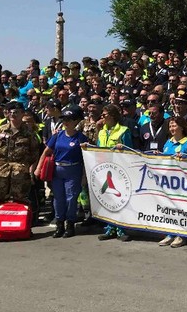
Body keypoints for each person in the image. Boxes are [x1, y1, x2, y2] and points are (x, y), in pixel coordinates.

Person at [0, 101, 41, 242]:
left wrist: (27, 167)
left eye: (17, 112)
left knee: (21, 200)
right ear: (7, 114)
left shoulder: (29, 133)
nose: (13, 114)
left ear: (22, 114)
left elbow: (34, 154)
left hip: (20, 173)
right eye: (10, 112)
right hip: (1, 171)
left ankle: (24, 228)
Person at [36, 109, 88, 238]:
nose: (66, 122)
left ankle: (70, 223)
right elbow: (46, 152)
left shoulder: (81, 137)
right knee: (58, 198)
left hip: (73, 170)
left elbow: (86, 158)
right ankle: (59, 224)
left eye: (69, 120)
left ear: (75, 121)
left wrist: (84, 176)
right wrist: (38, 167)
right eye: (64, 119)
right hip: (57, 170)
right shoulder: (57, 135)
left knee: (71, 198)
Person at [96, 104, 134, 242]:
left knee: (120, 199)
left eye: (105, 115)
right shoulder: (101, 131)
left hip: (120, 170)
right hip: (105, 170)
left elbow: (130, 151)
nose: (102, 117)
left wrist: (123, 148)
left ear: (112, 116)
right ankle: (109, 227)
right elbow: (97, 149)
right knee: (107, 200)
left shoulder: (124, 131)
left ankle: (121, 228)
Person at [157, 116, 187, 248]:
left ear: (182, 127)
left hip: (182, 182)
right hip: (168, 181)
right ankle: (170, 233)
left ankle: (182, 235)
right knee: (170, 207)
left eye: (174, 126)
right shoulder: (168, 143)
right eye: (170, 126)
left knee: (182, 208)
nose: (172, 129)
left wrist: (184, 157)